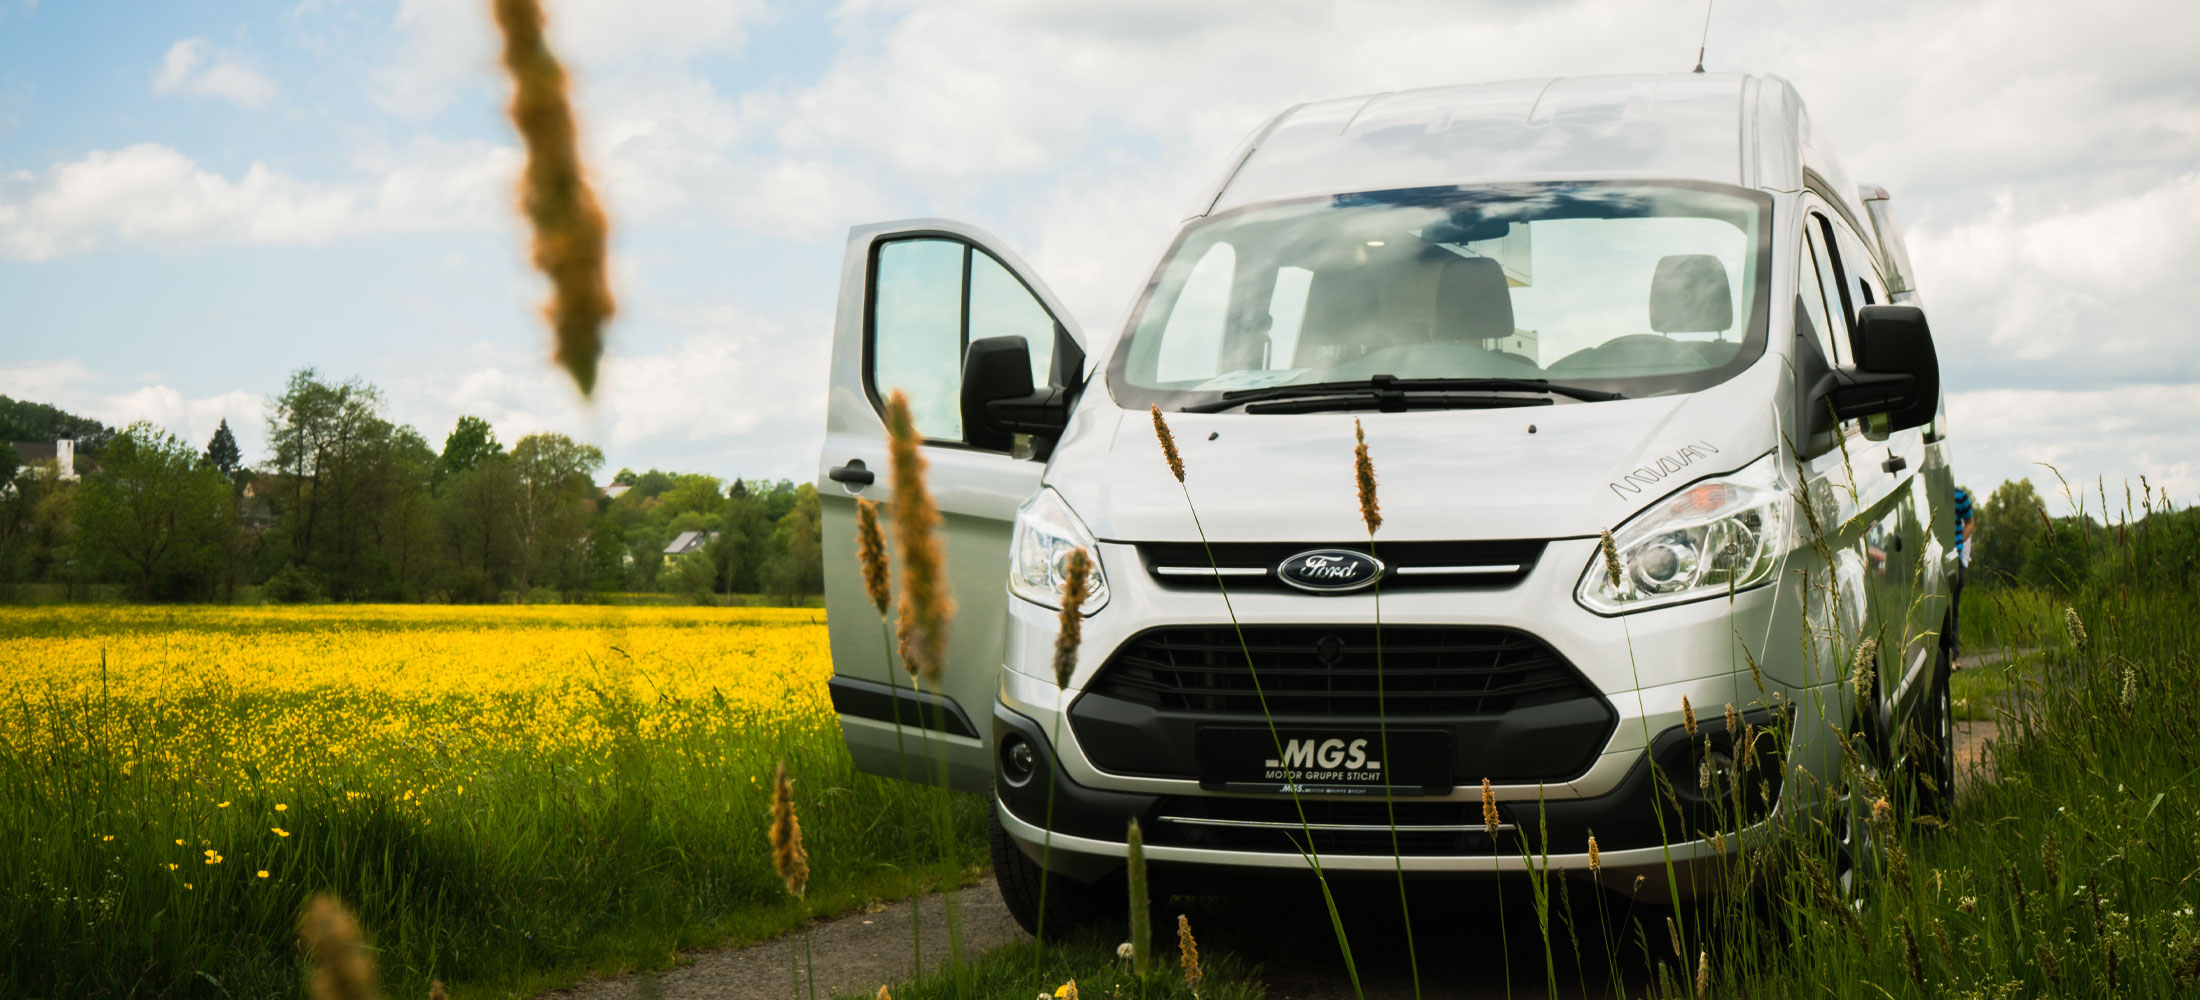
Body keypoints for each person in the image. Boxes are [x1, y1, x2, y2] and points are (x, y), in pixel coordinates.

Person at [1951, 486, 1974, 665]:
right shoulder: (1925, 489)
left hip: (1955, 560)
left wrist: (1957, 544)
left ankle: (1954, 656)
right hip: (1932, 559)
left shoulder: (1960, 495)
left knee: (1953, 610)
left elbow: (1970, 522)